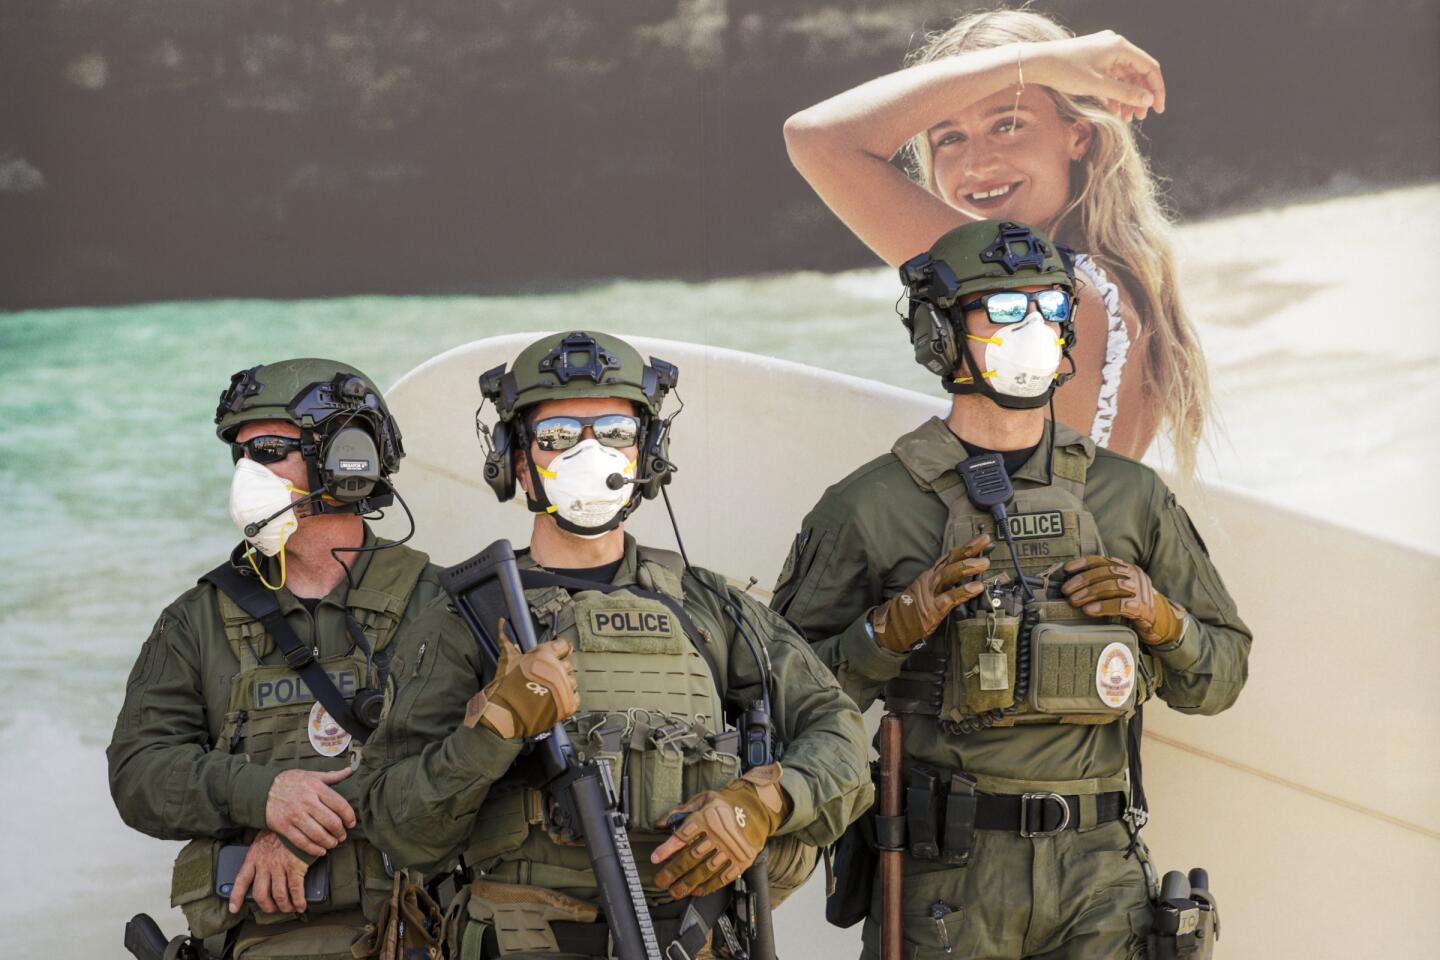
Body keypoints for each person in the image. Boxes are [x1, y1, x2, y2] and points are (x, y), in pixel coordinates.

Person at [771, 220, 1250, 959]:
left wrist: (1160, 619)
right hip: (947, 882)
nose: (1031, 330)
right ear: (940, 332)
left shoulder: (1128, 495)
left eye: (1050, 310)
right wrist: (890, 630)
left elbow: (1221, 676)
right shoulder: (871, 506)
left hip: (1102, 880)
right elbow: (778, 704)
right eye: (1001, 310)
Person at [357, 330, 873, 959]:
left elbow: (840, 732)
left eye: (614, 433)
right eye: (557, 438)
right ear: (520, 463)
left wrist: (765, 801)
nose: (586, 454)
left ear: (645, 456)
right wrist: (492, 732)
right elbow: (395, 828)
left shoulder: (709, 606)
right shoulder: (468, 614)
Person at [107, 359, 442, 960]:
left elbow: (478, 753)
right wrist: (261, 794)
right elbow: (138, 772)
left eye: (265, 450)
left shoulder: (439, 603)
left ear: (347, 458)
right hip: (252, 938)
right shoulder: (197, 619)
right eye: (238, 455)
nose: (245, 473)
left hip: (416, 929)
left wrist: (308, 831)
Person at [783, 8, 1210, 472]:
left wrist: (1024, 61)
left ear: (1078, 136)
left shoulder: (1030, 287)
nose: (976, 165)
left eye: (1007, 124)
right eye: (949, 138)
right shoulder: (1113, 284)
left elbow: (818, 140)